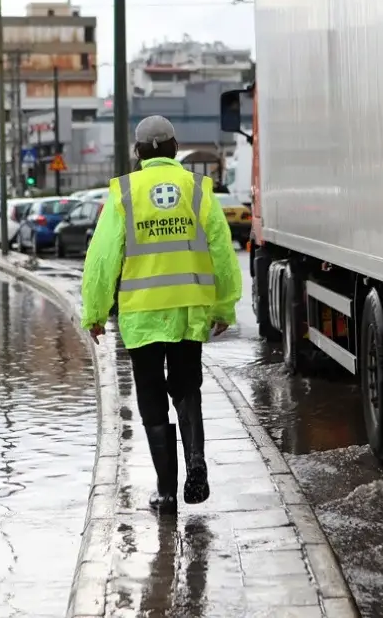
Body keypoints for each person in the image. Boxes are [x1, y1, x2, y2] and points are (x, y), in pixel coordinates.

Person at [81, 115, 242, 515]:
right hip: (189, 310)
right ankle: (196, 460)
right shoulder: (197, 189)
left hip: (142, 315)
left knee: (152, 399)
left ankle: (167, 494)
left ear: (138, 153)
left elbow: (102, 258)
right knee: (187, 388)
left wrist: (95, 312)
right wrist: (224, 305)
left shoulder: (124, 193)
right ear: (175, 147)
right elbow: (222, 252)